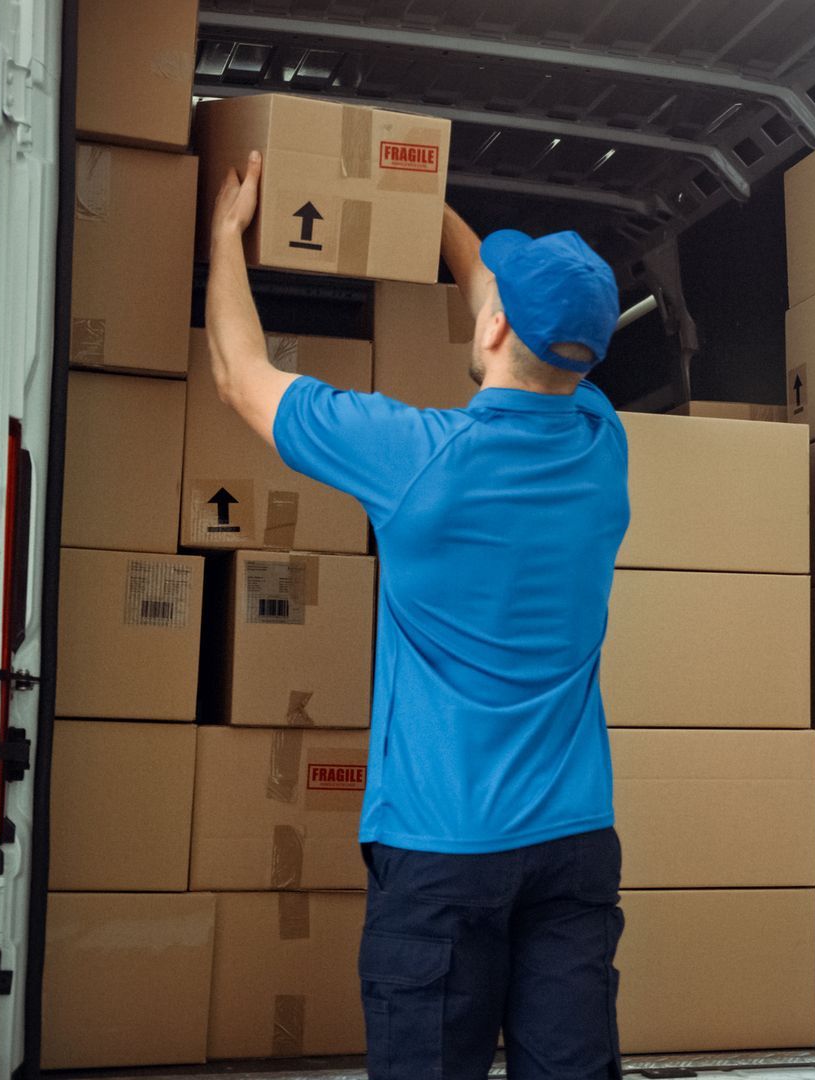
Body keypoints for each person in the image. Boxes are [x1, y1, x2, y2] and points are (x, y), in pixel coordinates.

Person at [204, 151, 631, 1080]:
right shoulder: (603, 444)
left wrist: (225, 239)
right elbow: (517, 310)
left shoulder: (415, 462)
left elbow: (241, 374)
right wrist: (428, 206)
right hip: (574, 846)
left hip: (444, 852)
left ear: (491, 326)